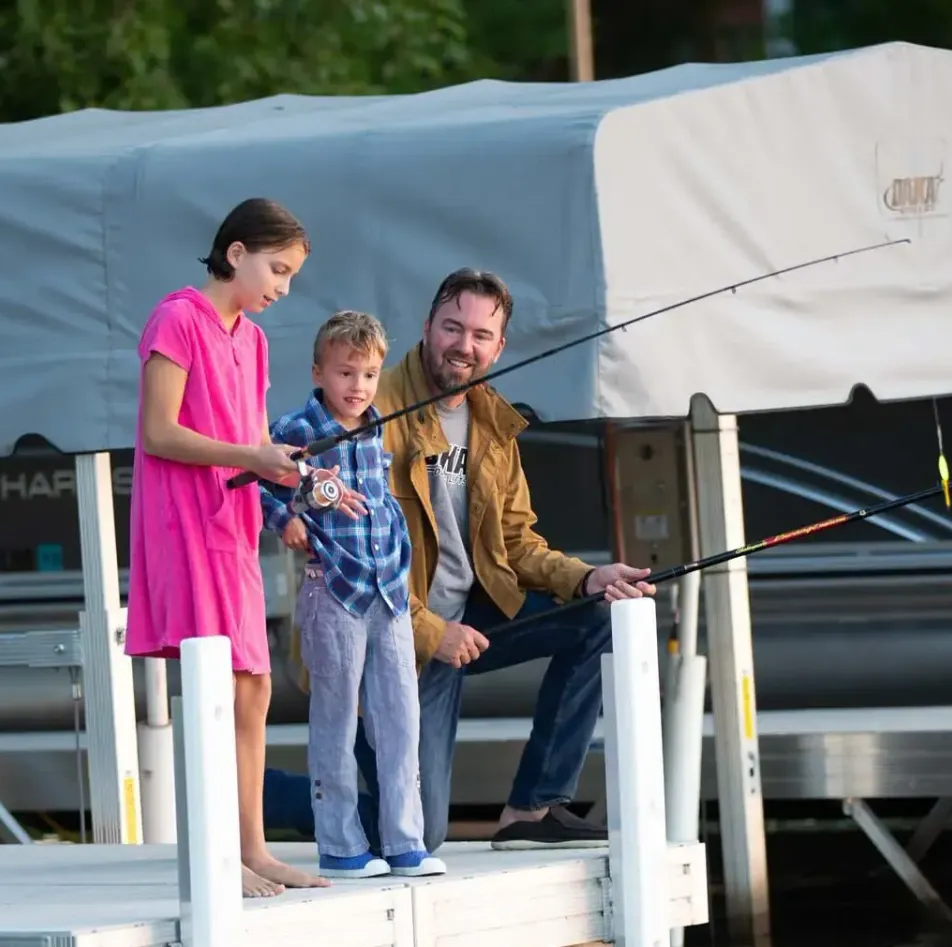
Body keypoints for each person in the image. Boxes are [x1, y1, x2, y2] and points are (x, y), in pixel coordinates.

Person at [353, 268, 655, 853]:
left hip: (472, 620)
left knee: (596, 616)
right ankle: (264, 791)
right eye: (452, 328)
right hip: (392, 640)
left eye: (480, 335)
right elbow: (358, 556)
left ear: (499, 347)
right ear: (426, 328)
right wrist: (429, 630)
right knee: (417, 833)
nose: (464, 346)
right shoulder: (374, 407)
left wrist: (588, 576)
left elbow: (517, 543)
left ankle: (530, 807)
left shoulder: (493, 419)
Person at [125, 196, 360, 898]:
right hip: (184, 525)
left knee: (253, 685)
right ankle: (214, 856)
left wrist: (297, 472)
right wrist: (252, 458)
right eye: (277, 269)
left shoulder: (252, 341)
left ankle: (251, 848)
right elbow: (159, 433)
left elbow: (255, 445)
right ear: (236, 253)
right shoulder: (176, 319)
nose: (283, 288)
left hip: (232, 529)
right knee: (213, 688)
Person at [260, 311, 443, 879]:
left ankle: (404, 841)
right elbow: (257, 488)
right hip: (332, 589)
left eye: (368, 374)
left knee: (400, 718)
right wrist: (284, 518)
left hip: (388, 591)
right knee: (336, 718)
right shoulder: (296, 428)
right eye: (345, 373)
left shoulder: (379, 423)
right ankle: (340, 844)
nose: (357, 386)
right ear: (319, 372)